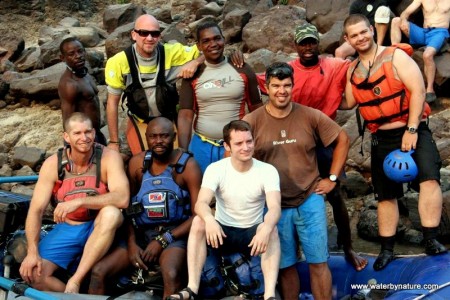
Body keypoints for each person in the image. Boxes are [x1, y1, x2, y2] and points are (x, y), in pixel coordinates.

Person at [256, 23, 367, 271]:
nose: (307, 47)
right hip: (293, 138)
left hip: (323, 137)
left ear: (318, 43)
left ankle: (347, 246)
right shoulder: (287, 72)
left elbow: (362, 59)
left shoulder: (334, 65)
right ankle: (292, 251)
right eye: (303, 43)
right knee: (288, 194)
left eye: (311, 42)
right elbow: (251, 80)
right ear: (295, 46)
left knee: (335, 193)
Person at [341, 14, 447, 271]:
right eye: (354, 35)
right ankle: (387, 249)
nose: (361, 38)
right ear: (348, 40)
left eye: (364, 32)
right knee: (385, 195)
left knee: (429, 179)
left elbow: (419, 91)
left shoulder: (396, 56)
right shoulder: (352, 71)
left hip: (412, 130)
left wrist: (411, 129)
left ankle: (431, 239)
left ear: (372, 30)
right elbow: (348, 102)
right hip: (381, 137)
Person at [244, 62, 350, 300]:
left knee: (319, 261)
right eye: (276, 86)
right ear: (266, 88)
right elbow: (233, 156)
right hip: (274, 206)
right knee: (285, 266)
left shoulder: (310, 115)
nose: (281, 91)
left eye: (286, 85)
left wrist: (332, 178)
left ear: (293, 86)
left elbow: (342, 139)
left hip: (309, 200)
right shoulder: (252, 121)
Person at [88, 117, 202, 297]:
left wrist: (163, 240)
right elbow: (127, 207)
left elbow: (198, 215)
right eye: (153, 137)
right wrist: (132, 243)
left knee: (171, 274)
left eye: (164, 136)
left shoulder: (188, 166)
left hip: (174, 233)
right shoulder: (137, 163)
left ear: (174, 137)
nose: (158, 141)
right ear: (146, 138)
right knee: (98, 272)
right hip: (141, 233)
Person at [168, 120, 281, 300]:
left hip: (251, 233)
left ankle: (269, 295)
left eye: (249, 141)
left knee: (272, 229)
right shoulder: (216, 169)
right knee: (199, 221)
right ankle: (192, 288)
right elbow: (201, 203)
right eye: (238, 143)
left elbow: (275, 208)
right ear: (227, 146)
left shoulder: (267, 170)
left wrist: (266, 228)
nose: (245, 147)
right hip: (223, 232)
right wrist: (210, 220)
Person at [19, 112, 130, 293]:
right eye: (77, 133)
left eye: (88, 132)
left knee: (112, 213)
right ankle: (70, 296)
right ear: (66, 137)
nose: (84, 138)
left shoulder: (109, 157)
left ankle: (76, 280)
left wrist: (79, 202)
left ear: (94, 133)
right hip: (69, 227)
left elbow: (122, 198)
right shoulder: (53, 164)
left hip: (99, 225)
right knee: (35, 274)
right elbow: (36, 210)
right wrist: (32, 252)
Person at [105, 14, 204, 156]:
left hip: (169, 119)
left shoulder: (173, 52)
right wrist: (114, 142)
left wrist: (196, 62)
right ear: (134, 35)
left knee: (178, 161)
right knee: (141, 163)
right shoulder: (118, 62)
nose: (150, 38)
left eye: (155, 34)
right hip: (140, 120)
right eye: (144, 33)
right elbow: (112, 103)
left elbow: (208, 50)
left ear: (160, 36)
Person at [177, 21, 262, 173]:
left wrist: (259, 142)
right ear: (198, 46)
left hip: (236, 145)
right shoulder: (192, 74)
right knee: (204, 191)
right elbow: (185, 115)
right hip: (202, 146)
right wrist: (183, 151)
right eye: (206, 41)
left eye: (217, 38)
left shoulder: (242, 68)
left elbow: (257, 108)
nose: (213, 44)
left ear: (224, 40)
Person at [390, 0, 450, 104]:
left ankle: (430, 90)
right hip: (424, 32)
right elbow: (405, 13)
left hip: (439, 33)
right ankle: (393, 52)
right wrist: (404, 20)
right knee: (396, 20)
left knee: (427, 55)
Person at [58, 37, 106, 146]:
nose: (78, 56)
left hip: (96, 133)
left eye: (80, 51)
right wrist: (71, 147)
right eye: (72, 54)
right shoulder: (69, 84)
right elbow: (67, 120)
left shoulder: (84, 74)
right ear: (62, 58)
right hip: (84, 139)